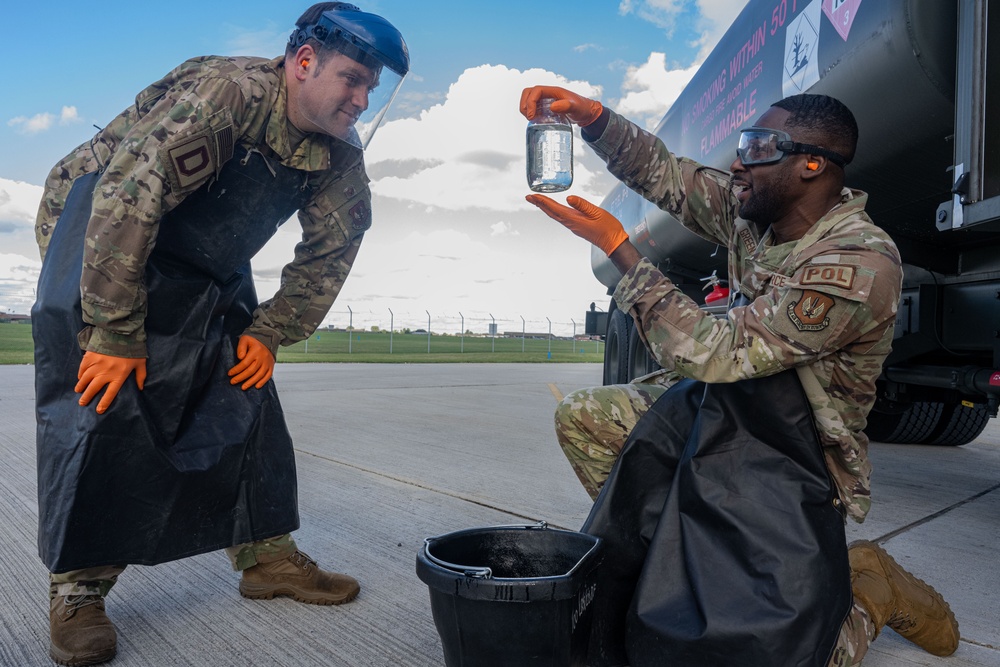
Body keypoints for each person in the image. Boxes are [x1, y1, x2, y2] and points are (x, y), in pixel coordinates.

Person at [520, 86, 960, 666]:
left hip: (799, 453)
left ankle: (867, 587)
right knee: (587, 419)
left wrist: (622, 256)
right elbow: (668, 177)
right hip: (730, 411)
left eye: (756, 147)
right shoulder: (759, 215)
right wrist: (594, 119)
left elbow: (716, 352)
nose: (736, 162)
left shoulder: (857, 260)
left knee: (786, 653)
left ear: (811, 164)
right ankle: (678, 569)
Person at [32, 4, 408, 665]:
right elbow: (132, 188)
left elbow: (334, 247)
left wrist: (270, 331)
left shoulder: (340, 156)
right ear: (303, 62)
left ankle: (266, 556)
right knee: (110, 397)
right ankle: (79, 589)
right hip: (99, 225)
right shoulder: (230, 95)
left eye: (370, 87)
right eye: (351, 78)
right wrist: (116, 329)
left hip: (204, 256)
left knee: (245, 383)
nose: (361, 97)